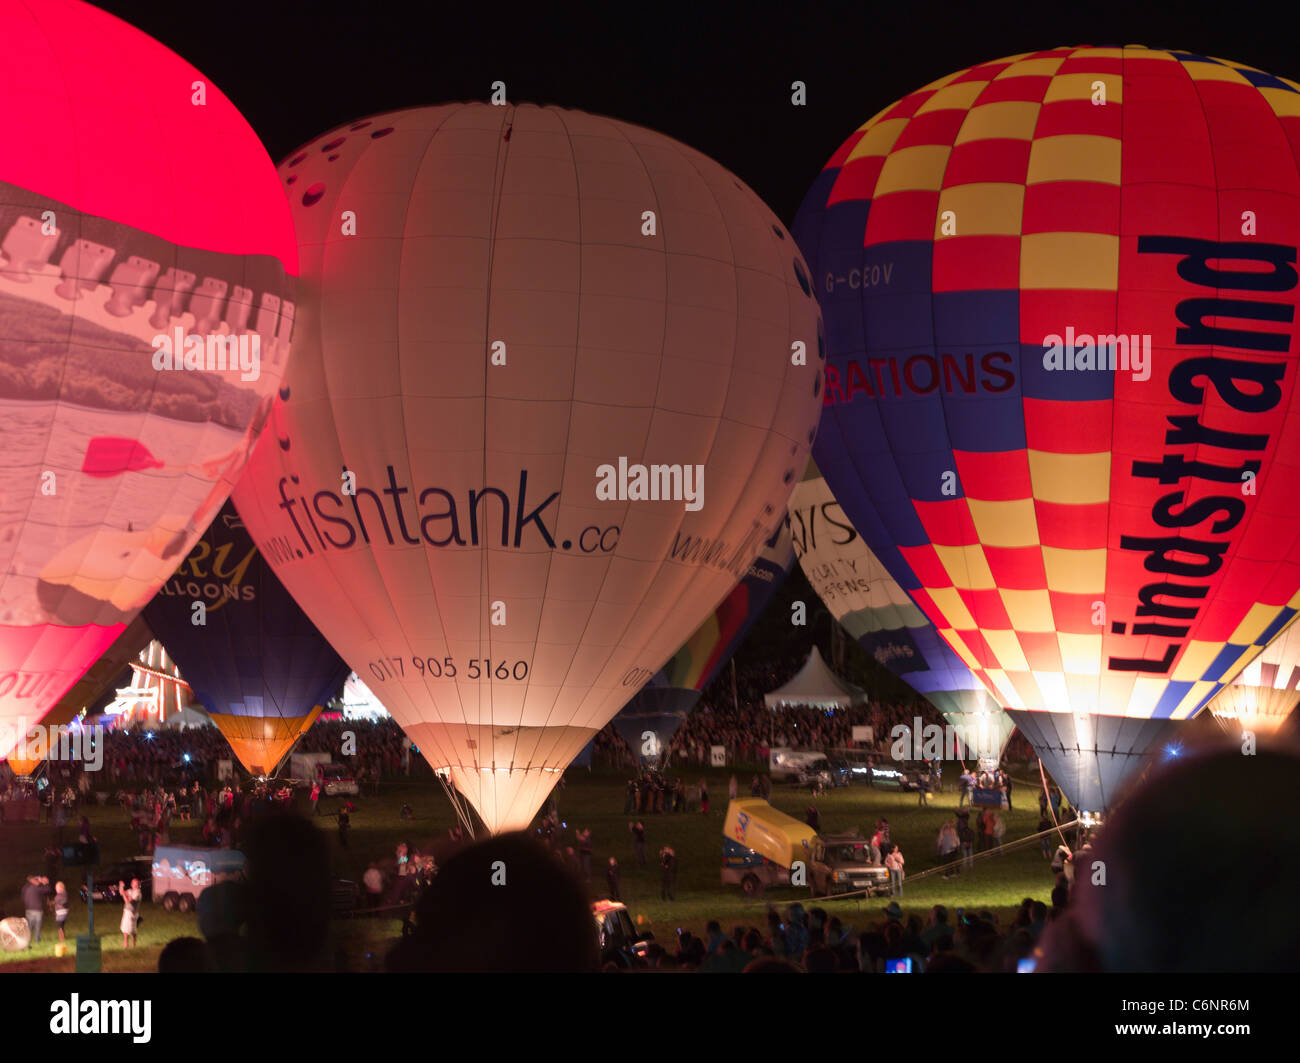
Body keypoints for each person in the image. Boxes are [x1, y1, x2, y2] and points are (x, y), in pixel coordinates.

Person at [22, 875, 50, 945]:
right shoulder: (38, 888)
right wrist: (46, 883)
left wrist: (36, 878)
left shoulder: (27, 888)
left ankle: (27, 941)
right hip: (37, 910)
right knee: (37, 926)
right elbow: (47, 890)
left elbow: (23, 892)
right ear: (35, 881)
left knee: (29, 927)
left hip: (28, 910)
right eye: (38, 881)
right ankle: (37, 941)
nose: (39, 882)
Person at [120, 878, 142, 948]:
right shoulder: (130, 891)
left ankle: (132, 945)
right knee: (125, 928)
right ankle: (126, 944)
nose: (135, 885)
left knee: (132, 930)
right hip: (127, 911)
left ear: (138, 885)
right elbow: (122, 892)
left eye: (137, 884)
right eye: (134, 884)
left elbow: (127, 901)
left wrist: (124, 895)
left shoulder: (138, 893)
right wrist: (121, 886)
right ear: (131, 884)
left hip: (132, 913)